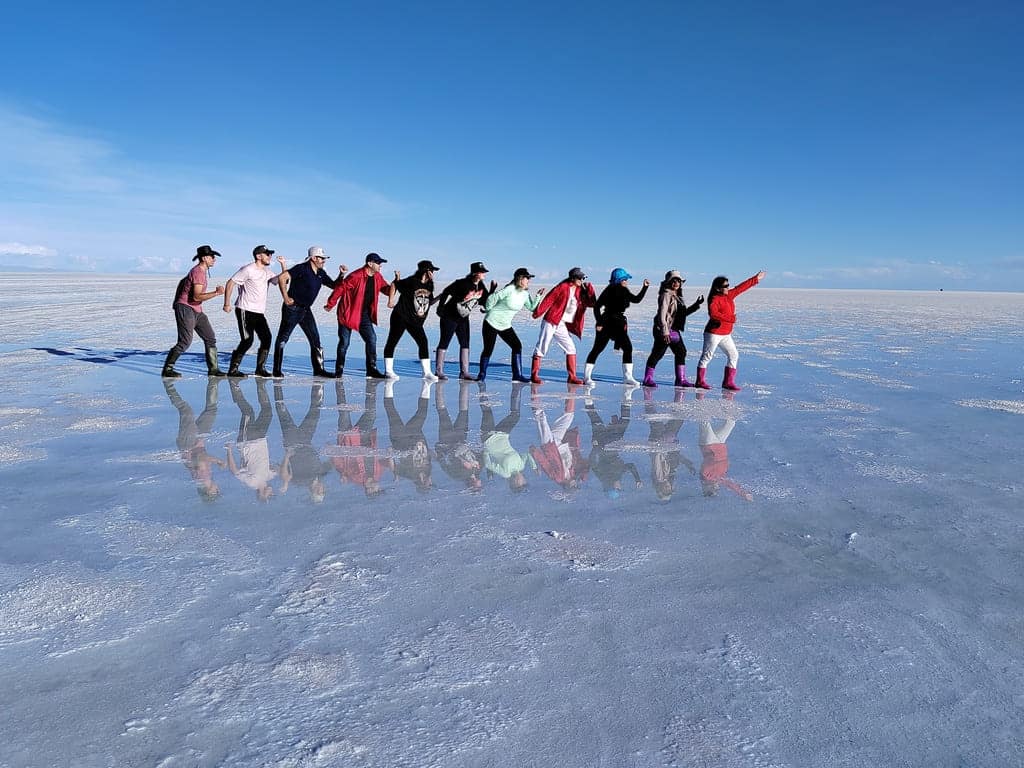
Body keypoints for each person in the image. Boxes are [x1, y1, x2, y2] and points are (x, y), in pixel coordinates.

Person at [272, 245, 344, 378]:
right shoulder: (302, 268)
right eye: (322, 258)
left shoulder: (321, 273)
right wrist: (286, 297)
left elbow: (334, 285)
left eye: (324, 258)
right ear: (313, 258)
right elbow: (283, 278)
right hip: (292, 308)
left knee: (315, 339)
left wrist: (342, 274)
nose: (324, 261)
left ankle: (319, 370)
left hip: (306, 310)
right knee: (283, 339)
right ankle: (276, 370)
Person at [162, 245, 227, 378]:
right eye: (212, 257)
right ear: (204, 258)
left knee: (210, 337)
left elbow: (182, 282)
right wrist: (216, 293)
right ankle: (168, 369)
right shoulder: (197, 272)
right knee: (185, 341)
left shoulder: (201, 272)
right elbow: (196, 296)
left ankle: (213, 369)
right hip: (187, 308)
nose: (214, 259)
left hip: (196, 309)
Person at [222, 244, 287, 377]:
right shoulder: (248, 269)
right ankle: (233, 369)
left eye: (270, 254)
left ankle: (260, 368)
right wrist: (227, 303)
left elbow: (283, 281)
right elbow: (230, 283)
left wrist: (283, 265)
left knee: (266, 338)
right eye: (267, 253)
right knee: (247, 340)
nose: (270, 256)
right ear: (258, 256)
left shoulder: (267, 272)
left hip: (258, 312)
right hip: (244, 309)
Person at [324, 252, 392, 379]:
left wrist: (395, 285)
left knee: (372, 339)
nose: (380, 265)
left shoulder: (377, 276)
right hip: (348, 313)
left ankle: (371, 369)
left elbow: (386, 290)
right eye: (378, 263)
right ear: (369, 263)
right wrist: (330, 304)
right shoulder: (356, 276)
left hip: (364, 315)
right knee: (345, 342)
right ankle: (339, 370)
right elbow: (340, 289)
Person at [695, 270, 766, 391]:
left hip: (726, 334)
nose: (728, 288)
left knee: (733, 355)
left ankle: (728, 382)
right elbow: (713, 314)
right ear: (718, 288)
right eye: (725, 286)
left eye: (728, 285)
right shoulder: (714, 299)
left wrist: (756, 278)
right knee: (707, 356)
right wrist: (730, 318)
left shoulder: (729, 295)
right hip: (713, 333)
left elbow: (741, 287)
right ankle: (700, 381)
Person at [530, 267, 597, 385]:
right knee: (542, 346)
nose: (582, 280)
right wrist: (538, 313)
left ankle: (572, 377)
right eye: (580, 278)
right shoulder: (562, 287)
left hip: (561, 324)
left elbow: (591, 303)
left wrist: (589, 289)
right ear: (573, 278)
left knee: (571, 348)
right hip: (551, 321)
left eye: (583, 278)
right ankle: (534, 375)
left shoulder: (580, 290)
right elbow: (549, 299)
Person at [478, 267, 545, 382]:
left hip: (505, 325)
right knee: (488, 349)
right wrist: (488, 309)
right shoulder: (509, 289)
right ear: (520, 279)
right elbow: (492, 298)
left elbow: (532, 307)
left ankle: (517, 375)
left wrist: (538, 297)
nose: (528, 280)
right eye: (526, 278)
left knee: (517, 346)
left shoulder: (524, 294)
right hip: (491, 322)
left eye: (529, 278)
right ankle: (482, 375)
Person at [584, 268, 649, 386]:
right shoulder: (608, 290)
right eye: (624, 279)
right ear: (619, 280)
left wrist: (644, 287)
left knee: (628, 348)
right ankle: (587, 377)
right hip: (606, 322)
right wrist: (599, 322)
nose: (626, 281)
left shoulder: (624, 290)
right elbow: (597, 306)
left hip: (619, 323)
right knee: (597, 348)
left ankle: (627, 377)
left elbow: (636, 299)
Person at [642, 270, 705, 388]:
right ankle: (647, 378)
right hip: (663, 329)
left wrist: (697, 304)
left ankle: (680, 379)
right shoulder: (666, 294)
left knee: (681, 351)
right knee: (658, 353)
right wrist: (665, 331)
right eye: (674, 280)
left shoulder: (677, 296)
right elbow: (662, 314)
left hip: (674, 329)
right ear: (668, 282)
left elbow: (682, 314)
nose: (676, 283)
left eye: (678, 281)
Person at [434, 261, 494, 380]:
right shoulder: (462, 283)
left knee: (465, 343)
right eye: (482, 272)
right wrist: (440, 307)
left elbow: (485, 301)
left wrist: (492, 291)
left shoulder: (480, 286)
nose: (484, 274)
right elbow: (446, 292)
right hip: (449, 316)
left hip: (463, 318)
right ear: (475, 273)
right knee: (445, 341)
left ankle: (464, 372)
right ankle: (438, 371)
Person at [382, 260, 441, 381]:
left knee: (423, 342)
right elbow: (395, 284)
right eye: (432, 270)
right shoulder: (411, 281)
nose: (433, 273)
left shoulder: (430, 285)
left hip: (415, 320)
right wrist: (390, 300)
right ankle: (388, 371)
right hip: (400, 316)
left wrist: (441, 297)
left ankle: (427, 372)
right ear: (426, 271)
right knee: (393, 341)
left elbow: (428, 302)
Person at [225, 378, 277, 501]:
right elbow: (280, 470)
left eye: (269, 496)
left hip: (247, 441)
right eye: (272, 495)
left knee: (248, 412)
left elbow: (234, 471)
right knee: (268, 412)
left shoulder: (252, 483)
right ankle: (260, 384)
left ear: (261, 495)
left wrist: (229, 451)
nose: (272, 493)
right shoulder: (268, 476)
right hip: (260, 438)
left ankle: (234, 385)